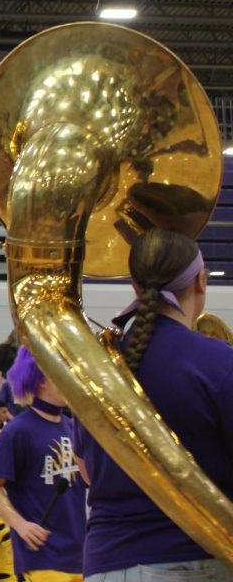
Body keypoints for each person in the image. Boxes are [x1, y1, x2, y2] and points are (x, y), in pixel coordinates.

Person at [72, 227, 233, 581]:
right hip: (191, 562)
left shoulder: (97, 369)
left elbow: (85, 470)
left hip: (104, 564)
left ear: (134, 286)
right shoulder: (219, 363)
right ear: (200, 283)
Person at [0, 347, 85, 582]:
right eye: (61, 373)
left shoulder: (73, 427)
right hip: (41, 555)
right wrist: (20, 525)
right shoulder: (18, 430)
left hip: (80, 554)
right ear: (40, 380)